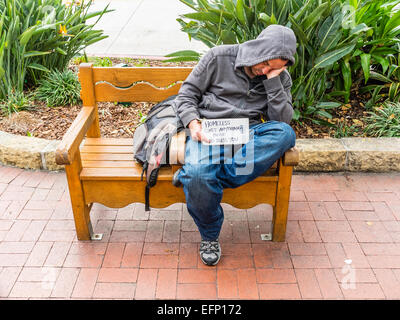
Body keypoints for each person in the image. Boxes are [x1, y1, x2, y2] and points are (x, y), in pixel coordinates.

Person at [172, 24, 297, 266]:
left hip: (247, 131)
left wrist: (274, 81)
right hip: (209, 130)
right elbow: (186, 94)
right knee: (199, 173)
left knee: (285, 133)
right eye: (267, 64)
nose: (266, 70)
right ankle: (209, 235)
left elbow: (280, 120)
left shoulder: (279, 77)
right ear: (259, 49)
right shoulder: (219, 57)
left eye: (275, 69)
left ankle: (200, 178)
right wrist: (193, 123)